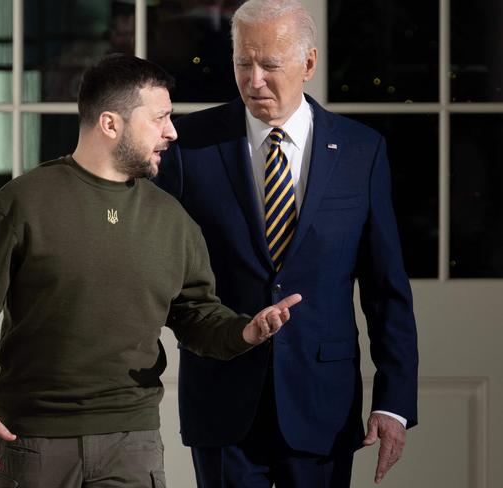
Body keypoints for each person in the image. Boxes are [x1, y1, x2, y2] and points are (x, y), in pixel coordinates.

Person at [0, 53, 302, 488]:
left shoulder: (172, 219)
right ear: (110, 124)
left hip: (133, 446)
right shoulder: (20, 204)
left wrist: (245, 332)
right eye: (160, 118)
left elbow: (196, 316)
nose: (172, 132)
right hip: (33, 442)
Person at [154, 1, 419, 487]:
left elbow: (386, 289)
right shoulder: (188, 144)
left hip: (323, 404)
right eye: (242, 63)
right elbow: (152, 269)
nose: (254, 80)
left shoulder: (362, 151)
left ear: (309, 64)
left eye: (270, 65)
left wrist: (394, 402)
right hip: (221, 401)